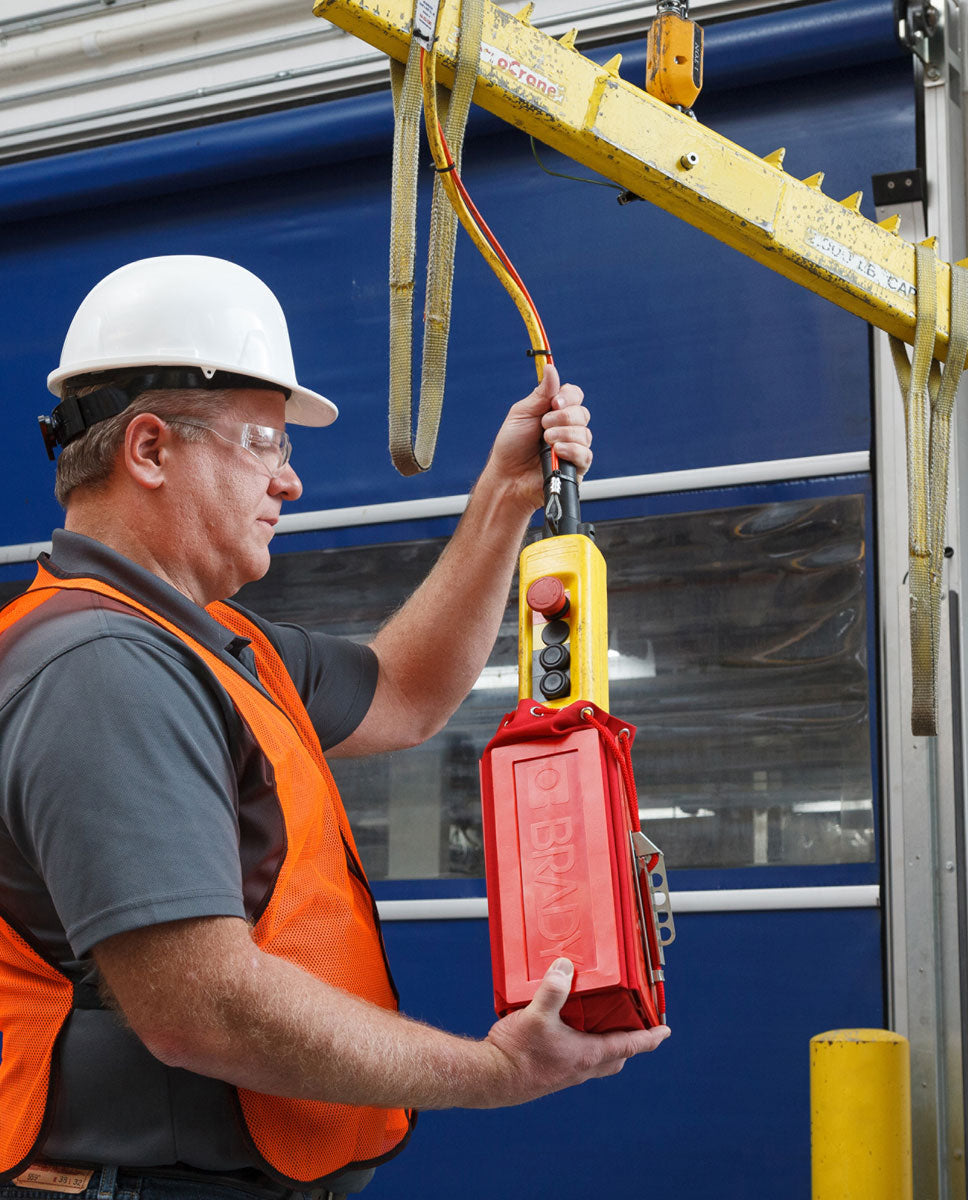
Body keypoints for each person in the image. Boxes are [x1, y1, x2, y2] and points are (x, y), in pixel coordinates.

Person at [0, 256, 669, 1200]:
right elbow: (202, 1010)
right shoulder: (101, 669)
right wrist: (494, 1073)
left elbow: (403, 692)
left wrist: (504, 497)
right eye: (264, 444)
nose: (291, 482)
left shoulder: (211, 641)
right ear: (148, 450)